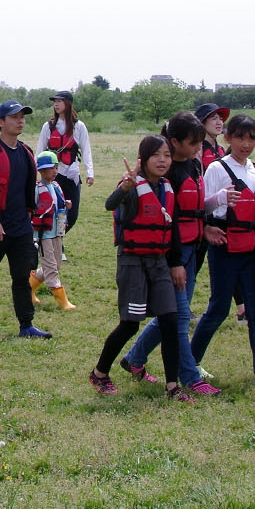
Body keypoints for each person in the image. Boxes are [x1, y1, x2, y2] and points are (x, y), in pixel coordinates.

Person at [118, 112, 220, 395]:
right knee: (180, 317)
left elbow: (194, 208)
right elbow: (169, 221)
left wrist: (208, 225)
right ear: (174, 142)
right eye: (193, 142)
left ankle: (134, 359)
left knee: (172, 314)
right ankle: (189, 377)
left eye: (201, 141)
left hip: (195, 248)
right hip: (175, 253)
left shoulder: (193, 165)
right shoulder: (167, 173)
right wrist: (175, 261)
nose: (199, 146)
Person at [89, 134, 192, 401]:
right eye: (156, 155)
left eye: (167, 155)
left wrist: (176, 263)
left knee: (170, 320)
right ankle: (99, 373)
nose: (162, 160)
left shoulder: (167, 187)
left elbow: (173, 228)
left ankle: (172, 387)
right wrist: (125, 187)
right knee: (130, 324)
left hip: (158, 261)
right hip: (132, 261)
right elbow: (109, 204)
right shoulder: (133, 185)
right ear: (143, 159)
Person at [188, 114, 255, 387]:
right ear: (228, 138)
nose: (245, 144)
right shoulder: (217, 168)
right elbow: (203, 207)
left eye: (251, 138)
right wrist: (221, 199)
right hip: (225, 248)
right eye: (239, 137)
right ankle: (191, 363)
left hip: (252, 250)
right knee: (218, 308)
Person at [0, 100, 52, 339]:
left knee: (21, 276)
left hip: (20, 226)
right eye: (14, 117)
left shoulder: (25, 152)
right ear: (0, 122)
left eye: (22, 116)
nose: (20, 120)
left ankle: (26, 325)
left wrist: (29, 219)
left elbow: (28, 192)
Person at [37, 92, 94, 232]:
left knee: (72, 216)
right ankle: (52, 243)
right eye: (54, 101)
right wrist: (35, 171)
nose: (56, 104)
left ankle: (58, 238)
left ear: (68, 103)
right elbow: (39, 150)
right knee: (53, 211)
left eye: (59, 101)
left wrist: (89, 172)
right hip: (53, 175)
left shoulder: (79, 126)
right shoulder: (48, 126)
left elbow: (86, 150)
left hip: (72, 175)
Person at [28, 151, 74, 309]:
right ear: (41, 170)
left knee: (56, 264)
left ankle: (30, 287)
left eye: (56, 167)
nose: (54, 171)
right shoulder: (36, 189)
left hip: (57, 232)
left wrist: (66, 204)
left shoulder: (56, 186)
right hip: (44, 235)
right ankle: (63, 302)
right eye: (50, 168)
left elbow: (57, 204)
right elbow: (30, 210)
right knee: (51, 268)